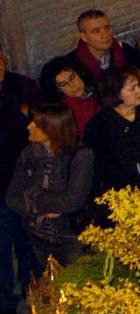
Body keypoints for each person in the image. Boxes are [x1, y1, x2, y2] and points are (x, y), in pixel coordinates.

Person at [5, 102, 94, 267]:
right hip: (37, 235)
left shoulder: (80, 155)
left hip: (71, 238)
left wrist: (33, 199)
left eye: (36, 124)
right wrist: (43, 209)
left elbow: (72, 200)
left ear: (53, 128)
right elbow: (12, 196)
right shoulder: (29, 153)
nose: (29, 126)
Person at [83, 67, 140, 213]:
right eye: (132, 88)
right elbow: (108, 171)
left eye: (138, 86)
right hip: (133, 196)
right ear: (115, 93)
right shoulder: (99, 127)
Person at [0, 46, 39, 314]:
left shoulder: (21, 87)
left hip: (26, 180)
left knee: (30, 241)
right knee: (2, 248)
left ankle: (35, 292)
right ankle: (5, 306)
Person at [68, 10, 130, 84]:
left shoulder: (125, 51)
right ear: (83, 36)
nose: (105, 35)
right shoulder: (72, 64)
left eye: (107, 28)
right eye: (96, 31)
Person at [41, 58, 98, 135]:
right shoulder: (62, 110)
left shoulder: (100, 91)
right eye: (63, 84)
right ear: (57, 89)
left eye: (72, 78)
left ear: (79, 73)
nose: (72, 85)